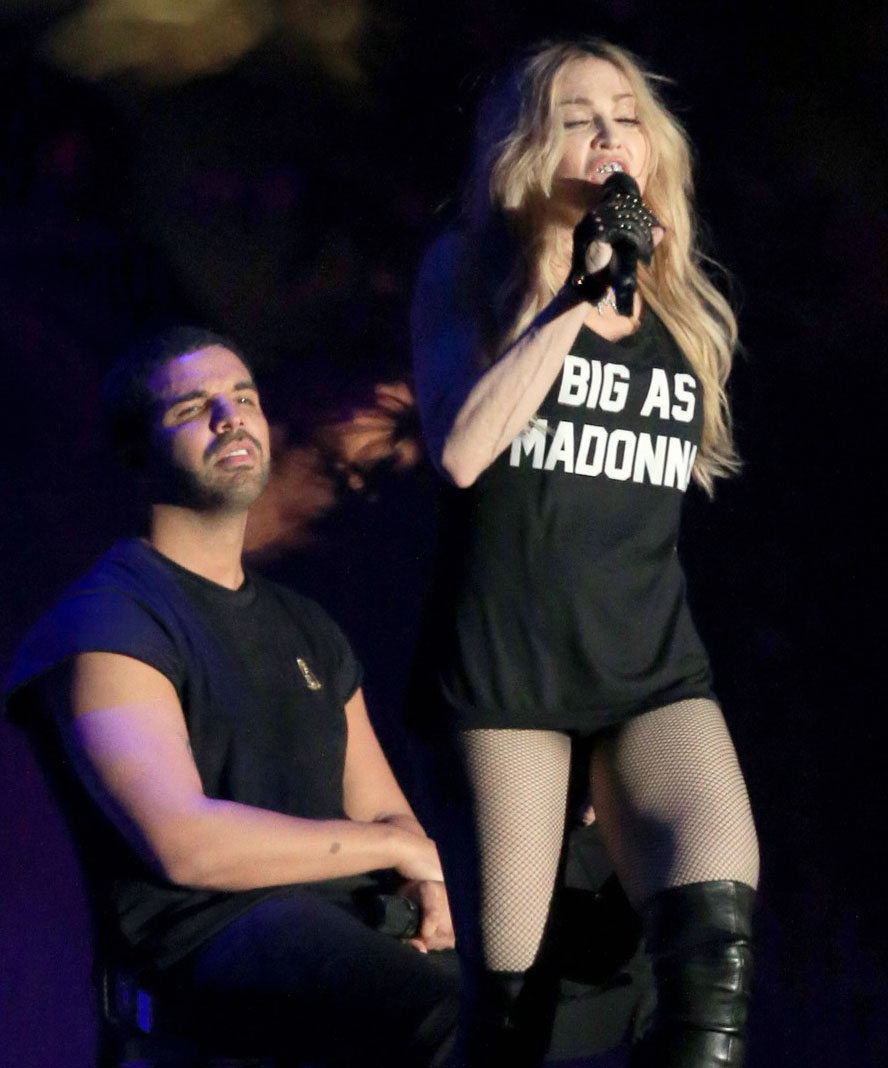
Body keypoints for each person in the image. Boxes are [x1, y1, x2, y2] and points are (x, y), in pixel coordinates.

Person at [410, 38, 759, 1068]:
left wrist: (629, 279)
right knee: (512, 1022)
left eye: (626, 113)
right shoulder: (464, 271)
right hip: (509, 673)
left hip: (650, 668)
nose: (611, 134)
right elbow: (464, 450)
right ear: (526, 147)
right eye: (577, 118)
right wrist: (569, 291)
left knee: (713, 978)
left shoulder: (682, 302)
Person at [5, 327, 459, 1068]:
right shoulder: (109, 620)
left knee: (519, 1000)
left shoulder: (306, 626)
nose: (231, 417)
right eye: (193, 408)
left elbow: (380, 804)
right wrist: (399, 848)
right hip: (206, 947)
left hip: (336, 917)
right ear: (135, 453)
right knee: (444, 1014)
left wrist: (423, 874)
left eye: (243, 397)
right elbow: (184, 844)